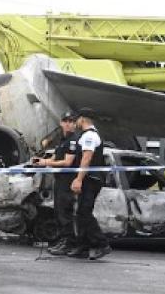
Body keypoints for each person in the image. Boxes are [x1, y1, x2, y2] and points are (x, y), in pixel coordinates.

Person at [68, 107, 112, 260]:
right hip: (89, 179)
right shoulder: (88, 135)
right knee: (81, 213)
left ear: (83, 119)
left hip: (90, 179)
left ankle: (101, 244)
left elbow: (86, 158)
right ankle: (83, 246)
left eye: (77, 119)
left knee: (84, 212)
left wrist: (79, 179)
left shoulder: (90, 136)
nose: (75, 122)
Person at [34, 111, 80, 256]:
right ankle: (63, 240)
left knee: (65, 212)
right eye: (65, 121)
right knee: (59, 211)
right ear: (61, 123)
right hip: (59, 180)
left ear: (75, 124)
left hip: (68, 181)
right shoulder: (63, 140)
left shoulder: (73, 140)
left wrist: (46, 162)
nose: (68, 124)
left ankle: (69, 242)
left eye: (71, 121)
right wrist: (41, 161)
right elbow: (56, 156)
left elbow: (67, 162)